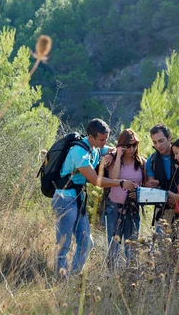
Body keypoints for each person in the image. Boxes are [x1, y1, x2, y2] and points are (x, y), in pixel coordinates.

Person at [53, 118, 136, 278]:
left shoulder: (96, 147)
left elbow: (111, 149)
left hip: (78, 199)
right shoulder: (79, 152)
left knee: (87, 242)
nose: (105, 142)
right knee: (63, 243)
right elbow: (95, 180)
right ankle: (60, 280)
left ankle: (74, 275)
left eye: (106, 138)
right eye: (101, 139)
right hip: (64, 198)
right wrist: (122, 183)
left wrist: (112, 154)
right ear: (91, 137)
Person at [104, 129, 146, 269]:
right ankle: (111, 278)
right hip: (114, 207)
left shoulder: (141, 163)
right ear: (122, 145)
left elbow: (145, 184)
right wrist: (117, 155)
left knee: (132, 246)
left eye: (135, 145)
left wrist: (137, 193)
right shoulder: (114, 161)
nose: (132, 149)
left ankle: (131, 277)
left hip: (132, 208)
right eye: (128, 146)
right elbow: (113, 179)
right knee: (113, 246)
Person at [145, 124, 176, 226]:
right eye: (155, 142)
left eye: (161, 141)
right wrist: (151, 186)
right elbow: (153, 189)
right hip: (162, 211)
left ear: (169, 138)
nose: (158, 145)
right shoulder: (151, 161)